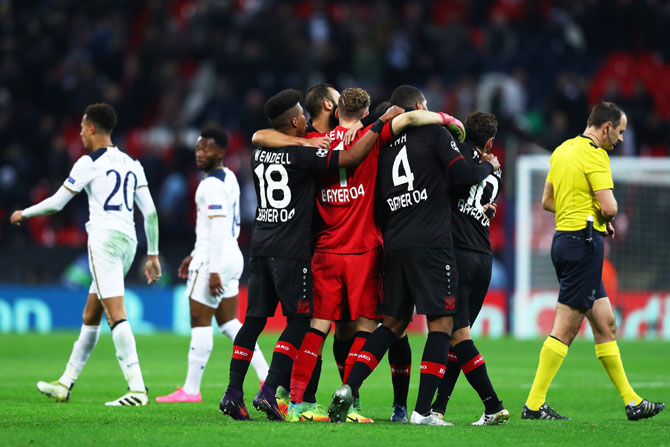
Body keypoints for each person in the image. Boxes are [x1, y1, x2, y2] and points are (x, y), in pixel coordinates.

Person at [254, 88, 461, 423]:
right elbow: (406, 117)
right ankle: (350, 404)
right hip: (364, 248)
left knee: (318, 327)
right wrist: (445, 120)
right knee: (367, 325)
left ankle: (295, 403)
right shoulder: (371, 136)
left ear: (336, 111)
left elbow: (261, 135)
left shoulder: (317, 141)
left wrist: (308, 142)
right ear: (364, 111)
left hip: (325, 249)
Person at [219, 89, 403, 421]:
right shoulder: (311, 150)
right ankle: (297, 395)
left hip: (280, 246)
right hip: (321, 248)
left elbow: (259, 134)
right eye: (299, 113)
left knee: (267, 323)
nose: (304, 116)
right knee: (322, 322)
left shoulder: (269, 149)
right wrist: (380, 123)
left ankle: (255, 394)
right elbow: (351, 155)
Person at [328, 85, 500, 426]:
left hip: (395, 242)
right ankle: (423, 412)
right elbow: (463, 177)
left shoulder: (385, 145)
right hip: (432, 242)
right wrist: (488, 168)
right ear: (420, 106)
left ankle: (349, 386)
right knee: (442, 323)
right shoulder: (435, 133)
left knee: (391, 323)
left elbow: (377, 203)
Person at [522, 100, 665, 421]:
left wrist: (583, 212)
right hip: (583, 244)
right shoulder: (595, 154)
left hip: (564, 241)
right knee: (566, 329)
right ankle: (533, 404)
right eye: (620, 132)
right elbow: (611, 207)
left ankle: (632, 402)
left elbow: (547, 201)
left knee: (606, 323)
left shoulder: (561, 150)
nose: (621, 139)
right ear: (605, 128)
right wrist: (600, 214)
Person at [10, 103, 161, 406]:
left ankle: (137, 390)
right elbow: (152, 214)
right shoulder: (133, 163)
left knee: (115, 314)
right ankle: (65, 383)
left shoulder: (87, 163)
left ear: (92, 128)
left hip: (104, 239)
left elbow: (56, 204)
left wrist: (24, 213)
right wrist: (153, 254)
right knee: (90, 314)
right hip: (129, 241)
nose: (79, 133)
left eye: (81, 127)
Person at [155, 128, 269, 403]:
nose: (200, 153)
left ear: (220, 151)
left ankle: (191, 390)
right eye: (197, 148)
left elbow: (216, 226)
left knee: (199, 320)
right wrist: (194, 254)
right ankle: (265, 373)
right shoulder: (229, 176)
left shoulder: (209, 185)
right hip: (231, 254)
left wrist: (212, 267)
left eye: (206, 148)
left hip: (215, 259)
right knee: (229, 322)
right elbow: (213, 227)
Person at [430, 112, 509, 425]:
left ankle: (492, 404)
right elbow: (486, 205)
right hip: (483, 258)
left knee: (457, 334)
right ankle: (438, 408)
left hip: (458, 255)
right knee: (456, 337)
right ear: (489, 142)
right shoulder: (496, 172)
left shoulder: (457, 160)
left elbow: (454, 183)